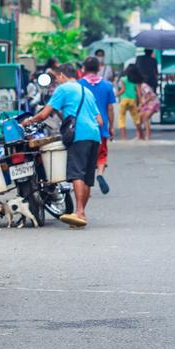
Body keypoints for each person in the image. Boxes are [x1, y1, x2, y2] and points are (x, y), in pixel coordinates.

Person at [29, 56, 107, 226]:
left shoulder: (63, 89)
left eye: (57, 79)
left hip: (79, 135)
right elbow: (100, 120)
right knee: (87, 177)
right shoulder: (86, 91)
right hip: (94, 135)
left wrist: (27, 122)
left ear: (62, 76)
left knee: (76, 173)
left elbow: (43, 114)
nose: (56, 82)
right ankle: (81, 214)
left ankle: (78, 213)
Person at [125, 48, 161, 140]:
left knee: (145, 118)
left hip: (150, 101)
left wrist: (141, 104)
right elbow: (156, 72)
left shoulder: (139, 59)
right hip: (150, 84)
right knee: (140, 118)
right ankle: (140, 135)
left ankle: (147, 136)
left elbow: (148, 97)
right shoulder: (153, 60)